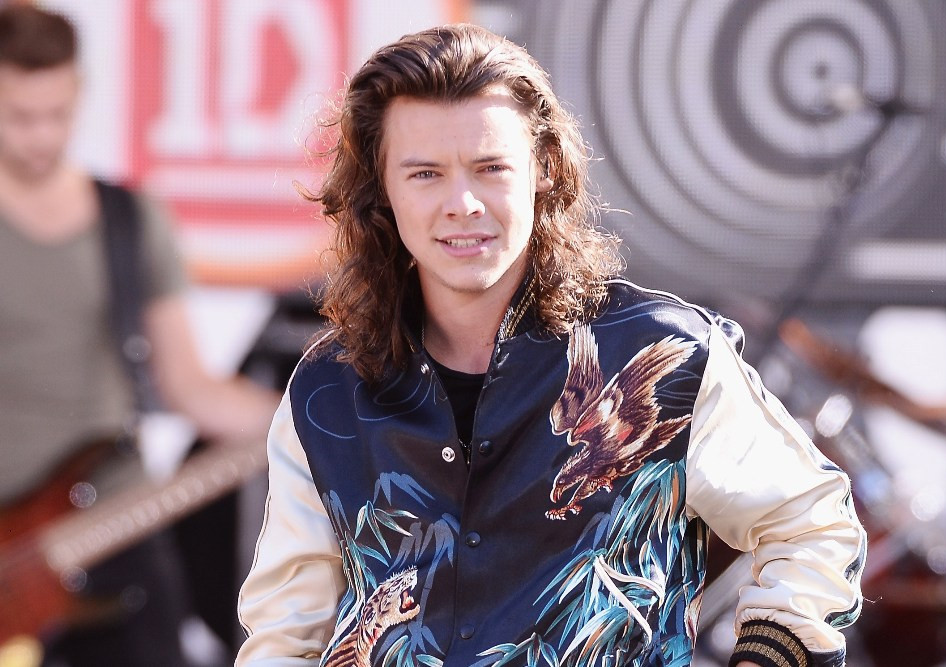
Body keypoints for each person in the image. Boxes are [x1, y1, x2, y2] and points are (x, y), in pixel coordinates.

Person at [237, 23, 866, 667]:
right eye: (425, 173)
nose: (462, 202)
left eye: (490, 168)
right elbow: (285, 638)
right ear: (381, 187)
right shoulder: (328, 390)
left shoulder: (663, 354)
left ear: (543, 169)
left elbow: (813, 524)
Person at [0, 4, 280, 665]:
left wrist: (314, 417)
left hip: (113, 522)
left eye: (58, 113)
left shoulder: (129, 219)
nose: (42, 135)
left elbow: (190, 388)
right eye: (19, 116)